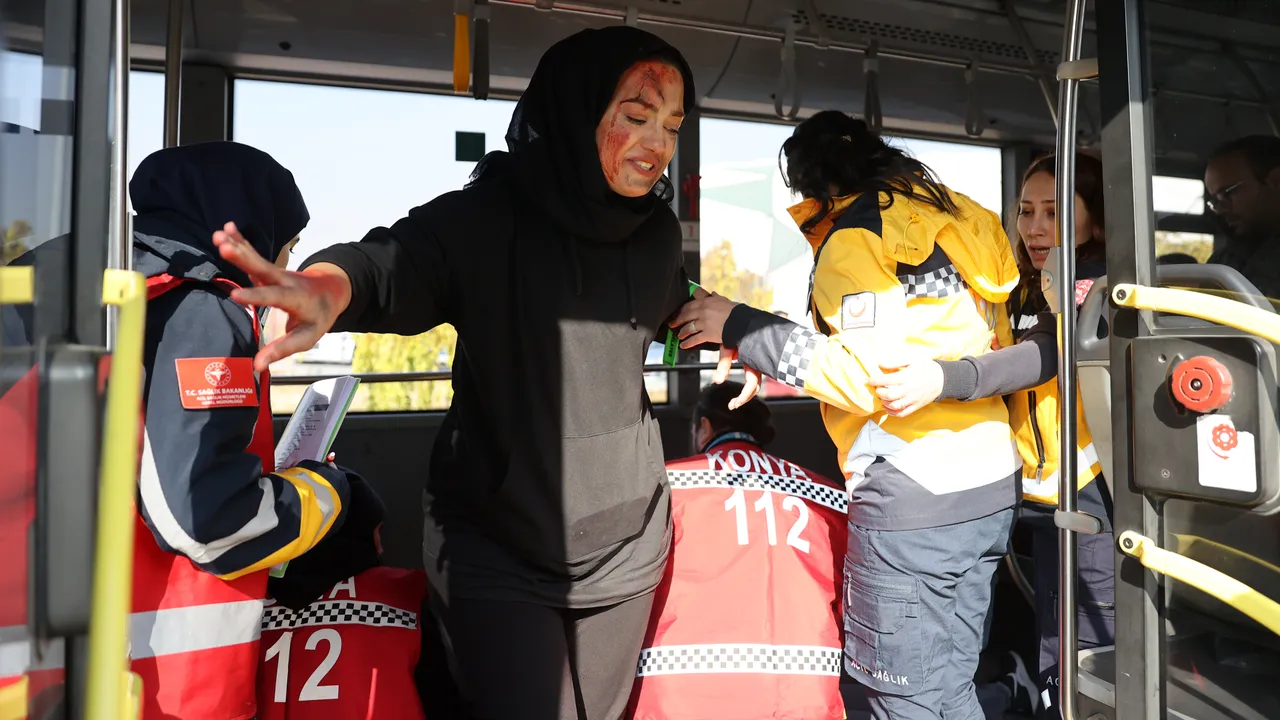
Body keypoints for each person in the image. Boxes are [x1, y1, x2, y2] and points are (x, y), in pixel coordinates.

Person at [210, 27, 700, 720]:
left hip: (626, 547)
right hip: (497, 544)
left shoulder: (655, 234)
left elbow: (671, 306)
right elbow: (389, 265)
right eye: (638, 116)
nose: (658, 144)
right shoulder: (486, 217)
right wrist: (325, 288)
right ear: (576, 112)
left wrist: (739, 328)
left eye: (672, 127)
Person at [0, 142, 386, 720]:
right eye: (290, 244)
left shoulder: (67, 271)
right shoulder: (200, 307)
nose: (288, 263)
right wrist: (327, 492)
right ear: (254, 233)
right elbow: (206, 521)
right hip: (138, 677)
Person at [671, 110, 1023, 720]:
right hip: (990, 486)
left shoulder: (855, 238)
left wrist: (741, 326)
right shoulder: (961, 217)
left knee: (903, 699)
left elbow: (866, 379)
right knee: (953, 687)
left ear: (815, 186)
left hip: (916, 497)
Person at [630, 381, 847, 720]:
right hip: (801, 698)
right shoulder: (827, 495)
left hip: (681, 699)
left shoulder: (666, 486)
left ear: (704, 428)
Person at [1203, 135, 1280, 301]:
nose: (1220, 209)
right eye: (1216, 200)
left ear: (1276, 181)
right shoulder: (1225, 259)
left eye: (1229, 192)